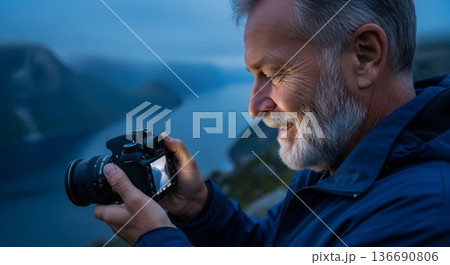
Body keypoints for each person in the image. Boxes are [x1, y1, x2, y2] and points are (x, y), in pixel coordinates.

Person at [94, 0, 450, 246]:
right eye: (254, 75)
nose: (255, 106)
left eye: (276, 72)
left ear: (365, 56)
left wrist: (157, 241)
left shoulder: (424, 215)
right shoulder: (338, 159)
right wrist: (199, 209)